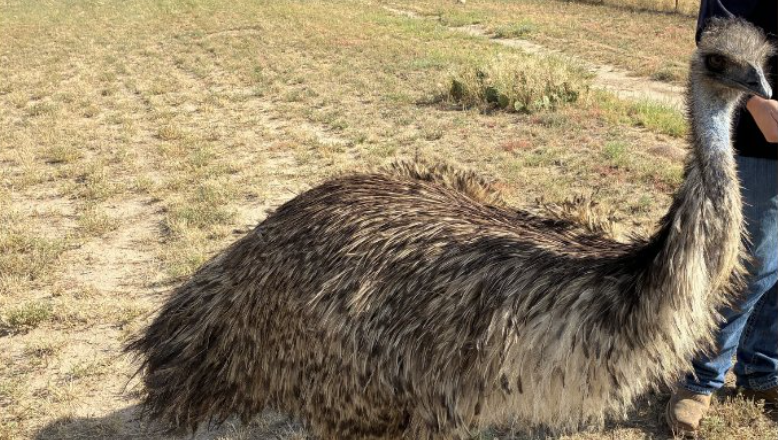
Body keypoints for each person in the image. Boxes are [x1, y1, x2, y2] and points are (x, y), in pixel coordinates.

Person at [666, 0, 778, 435]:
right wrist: (755, 101)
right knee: (746, 267)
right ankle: (699, 379)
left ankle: (761, 370)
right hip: (759, 130)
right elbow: (718, 40)